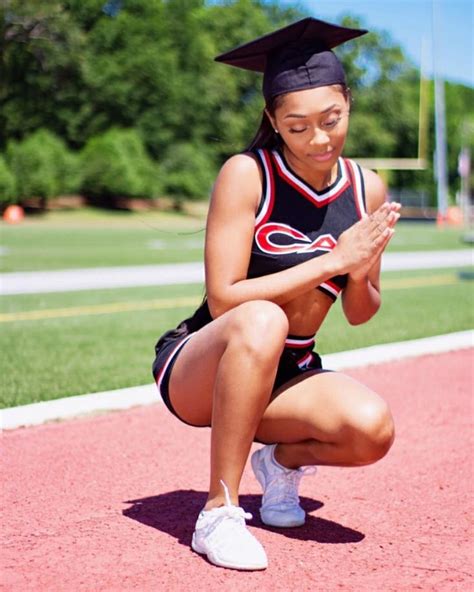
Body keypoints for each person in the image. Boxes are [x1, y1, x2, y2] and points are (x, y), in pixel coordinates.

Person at [152, 17, 401, 571]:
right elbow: (224, 300)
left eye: (331, 120)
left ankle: (280, 463)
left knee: (372, 431)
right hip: (207, 360)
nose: (319, 138)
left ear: (348, 105)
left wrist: (358, 272)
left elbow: (362, 313)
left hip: (290, 371)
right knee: (263, 319)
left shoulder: (368, 188)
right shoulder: (247, 173)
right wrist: (333, 260)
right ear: (272, 121)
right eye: (297, 126)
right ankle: (219, 513)